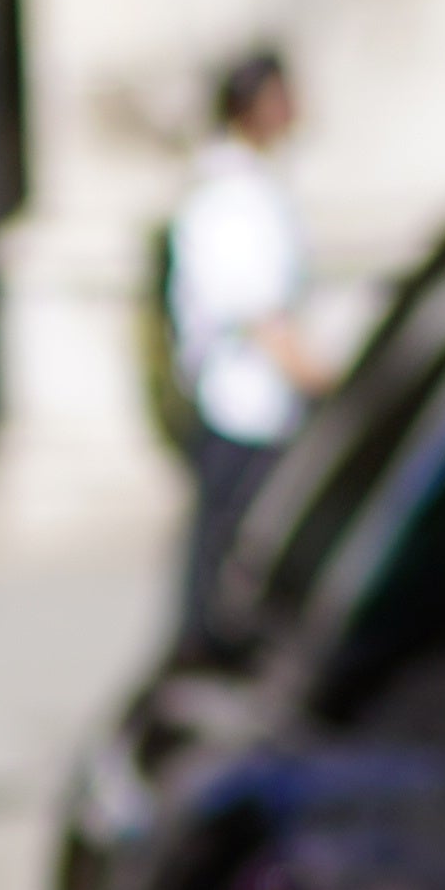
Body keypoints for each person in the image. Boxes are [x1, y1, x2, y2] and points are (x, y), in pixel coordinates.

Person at [164, 49, 336, 643]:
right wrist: (326, 382)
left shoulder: (247, 186)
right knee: (229, 570)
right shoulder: (235, 197)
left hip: (255, 408)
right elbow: (261, 315)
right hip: (244, 409)